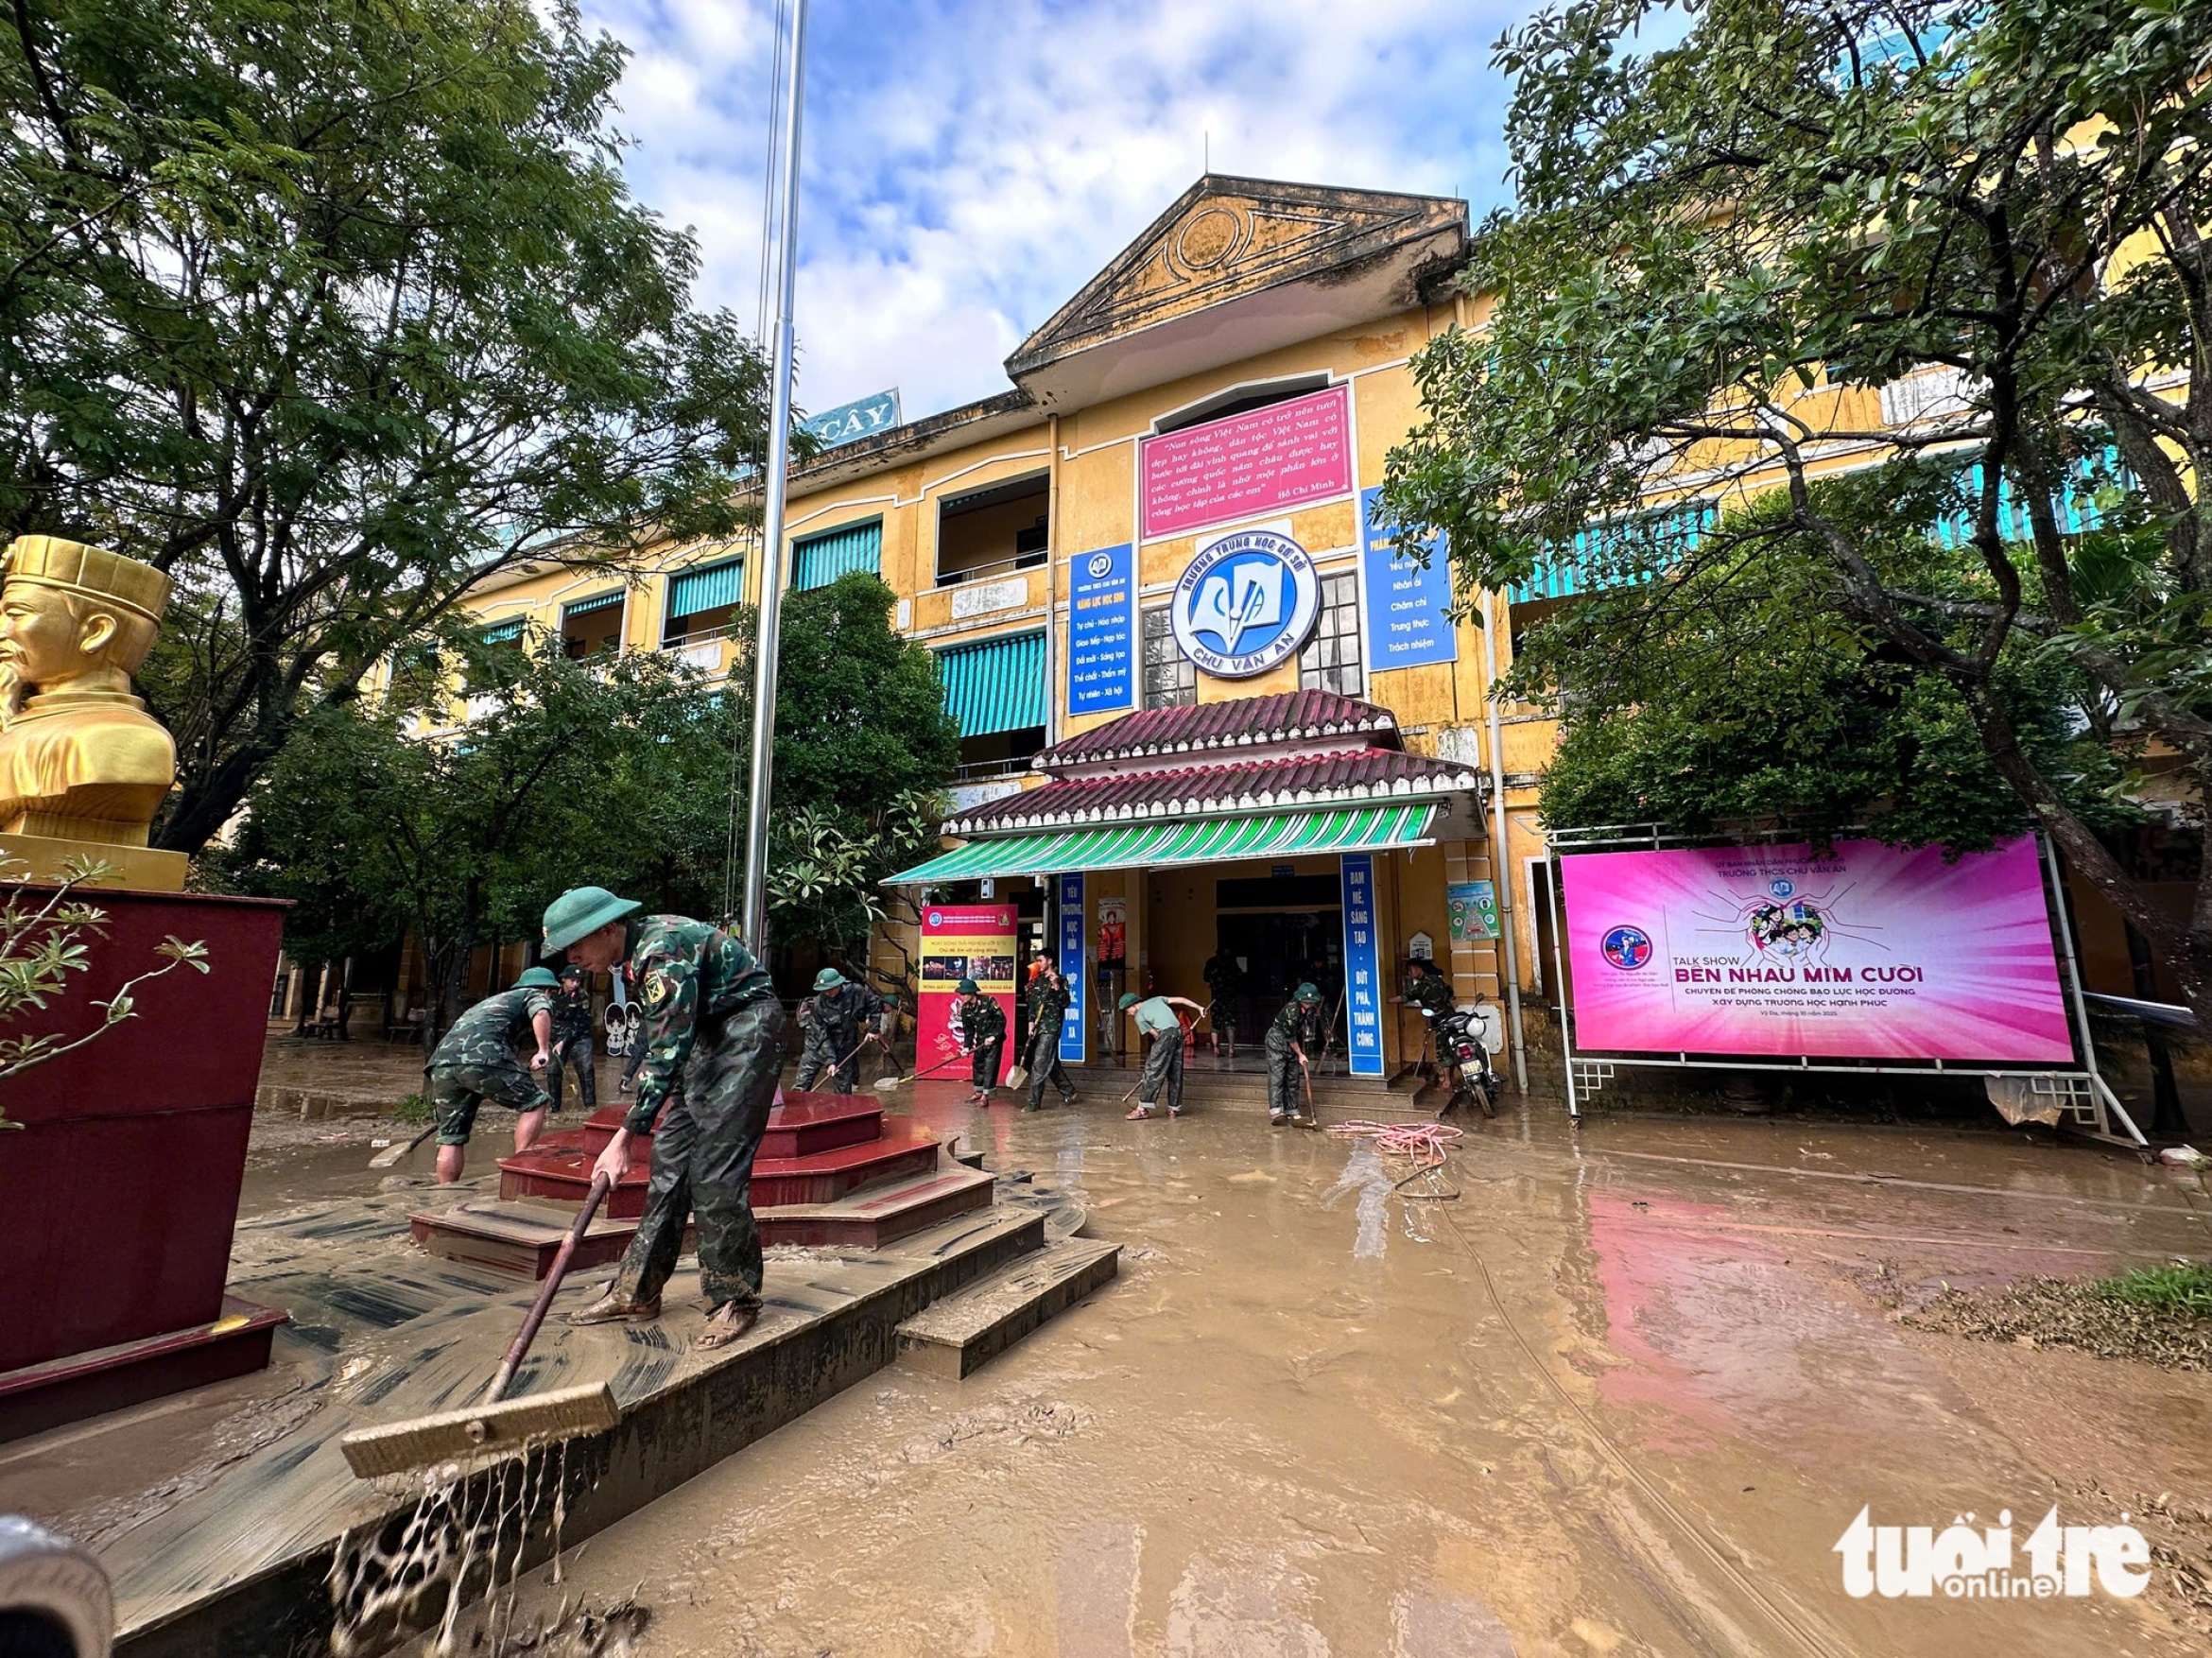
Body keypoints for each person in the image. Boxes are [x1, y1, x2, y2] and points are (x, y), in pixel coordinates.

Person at [545, 886, 785, 1350]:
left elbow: (665, 1051)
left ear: (611, 928)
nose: (573, 957)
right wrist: (650, 1123)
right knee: (669, 1163)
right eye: (567, 948)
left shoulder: (660, 952)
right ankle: (637, 1289)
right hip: (707, 1036)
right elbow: (672, 1046)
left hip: (747, 1030)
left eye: (578, 943)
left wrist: (623, 1136)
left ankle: (735, 1298)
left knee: (715, 1172)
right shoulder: (635, 956)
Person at [424, 966, 557, 1182]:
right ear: (547, 990)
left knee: (451, 1137)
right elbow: (541, 1012)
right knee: (536, 1102)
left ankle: (445, 1192)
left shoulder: (493, 1003)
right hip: (482, 1057)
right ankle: (519, 1167)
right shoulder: (534, 994)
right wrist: (543, 1050)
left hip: (442, 1063)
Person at [793, 966, 891, 1094]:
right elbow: (822, 1036)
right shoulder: (817, 1005)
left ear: (839, 985)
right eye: (824, 990)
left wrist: (873, 1029)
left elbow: (874, 1004)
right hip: (817, 1046)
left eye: (830, 989)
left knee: (843, 1091)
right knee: (801, 1086)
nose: (827, 992)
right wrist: (830, 1061)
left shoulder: (856, 991)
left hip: (843, 1046)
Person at [1118, 990, 1205, 1120]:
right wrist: (1199, 1008)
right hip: (1178, 1033)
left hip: (1165, 1036)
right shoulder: (1158, 999)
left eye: (1127, 1011)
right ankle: (1173, 1108)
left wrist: (1163, 1051)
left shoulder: (1139, 1016)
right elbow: (1181, 999)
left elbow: (1156, 1035)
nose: (1128, 1014)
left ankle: (1142, 1110)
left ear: (1133, 1005)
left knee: (1152, 1071)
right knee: (1175, 1071)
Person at [1265, 981, 1326, 1126]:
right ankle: (1276, 1112)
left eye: (1311, 1002)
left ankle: (1292, 1110)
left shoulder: (1310, 1008)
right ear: (1300, 999)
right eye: (1306, 1001)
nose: (1309, 1004)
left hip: (1293, 1041)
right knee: (1277, 1076)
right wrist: (1300, 1054)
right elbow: (1290, 1036)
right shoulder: (1292, 1010)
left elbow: (1305, 1026)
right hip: (1277, 1040)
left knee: (1293, 1077)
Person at [544, 959, 598, 1116]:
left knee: (586, 1067)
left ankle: (590, 1106)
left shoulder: (583, 996)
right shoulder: (552, 994)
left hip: (579, 1036)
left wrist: (563, 1041)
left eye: (578, 981)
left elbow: (580, 1022)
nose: (575, 984)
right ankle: (554, 1107)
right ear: (563, 980)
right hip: (556, 1037)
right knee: (553, 1070)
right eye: (572, 980)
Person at [1022, 961, 1080, 1112]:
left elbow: (1065, 1002)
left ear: (1049, 961)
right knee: (1050, 1061)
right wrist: (1030, 1022)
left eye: (1040, 960)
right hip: (1038, 1026)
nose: (1038, 963)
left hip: (1051, 1027)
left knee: (1040, 1062)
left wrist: (1056, 986)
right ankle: (1069, 1092)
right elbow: (1033, 1004)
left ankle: (1033, 1102)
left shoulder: (1061, 980)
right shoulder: (1038, 981)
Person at [957, 977, 1006, 1103]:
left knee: (990, 1066)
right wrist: (966, 1047)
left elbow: (1001, 1020)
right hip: (981, 1040)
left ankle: (986, 1095)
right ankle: (978, 1091)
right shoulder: (965, 1009)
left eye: (964, 993)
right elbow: (968, 1030)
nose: (962, 996)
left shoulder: (989, 1001)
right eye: (961, 994)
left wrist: (994, 1036)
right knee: (978, 1064)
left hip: (994, 1039)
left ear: (972, 992)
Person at [1201, 946, 1244, 1060]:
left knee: (1215, 1023)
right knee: (1230, 1023)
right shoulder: (1231, 962)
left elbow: (1205, 978)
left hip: (1216, 997)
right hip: (1229, 997)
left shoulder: (1211, 962)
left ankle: (1216, 1049)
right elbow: (1239, 977)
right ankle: (1231, 1049)